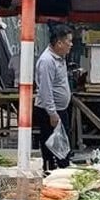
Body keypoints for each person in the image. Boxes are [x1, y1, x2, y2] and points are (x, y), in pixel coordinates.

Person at [34, 24, 74, 171]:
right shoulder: (47, 61)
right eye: (69, 41)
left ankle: (62, 171)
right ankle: (51, 173)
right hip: (49, 111)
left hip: (60, 109)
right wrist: (52, 113)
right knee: (52, 146)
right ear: (59, 43)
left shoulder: (60, 57)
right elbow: (45, 90)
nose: (71, 44)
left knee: (62, 145)